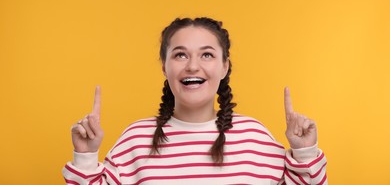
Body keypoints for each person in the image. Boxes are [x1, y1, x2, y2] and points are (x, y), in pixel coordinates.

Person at [63, 17, 327, 184]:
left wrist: (304, 152)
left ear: (225, 67)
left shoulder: (255, 137)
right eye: (180, 55)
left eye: (207, 55)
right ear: (165, 68)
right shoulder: (135, 139)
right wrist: (86, 156)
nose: (192, 66)